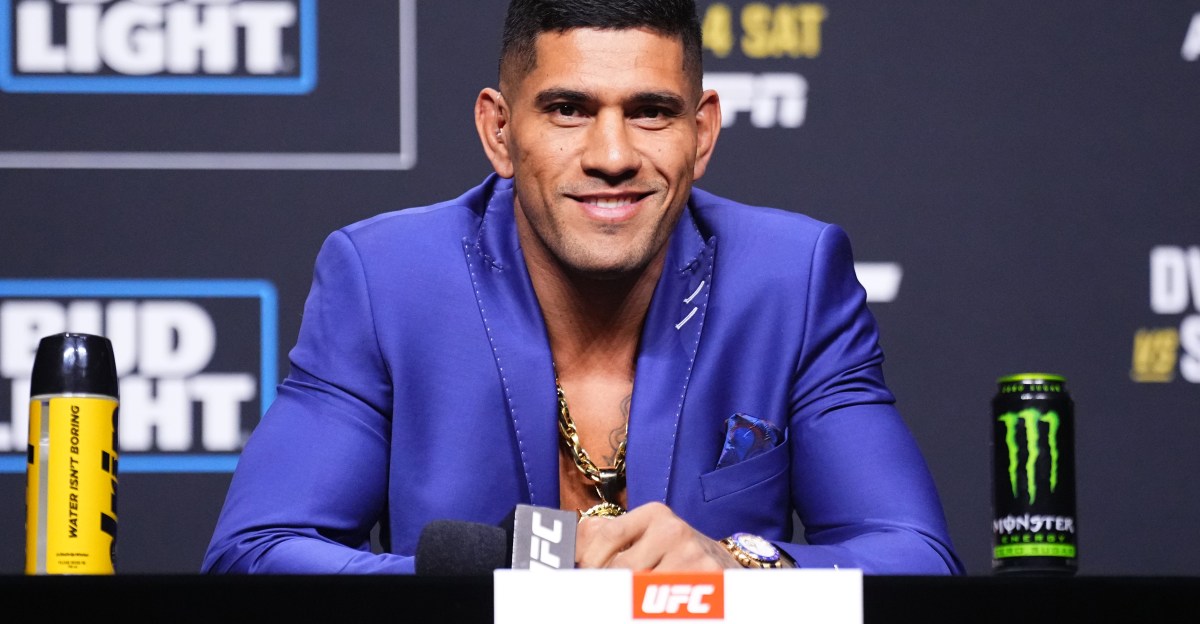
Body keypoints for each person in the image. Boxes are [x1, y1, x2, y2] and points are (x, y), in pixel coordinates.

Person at [201, 0, 964, 575]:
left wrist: (739, 566)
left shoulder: (791, 277)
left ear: (702, 134)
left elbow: (916, 556)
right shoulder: (386, 278)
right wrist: (517, 580)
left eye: (650, 112)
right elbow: (254, 553)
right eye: (569, 110)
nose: (612, 155)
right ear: (500, 132)